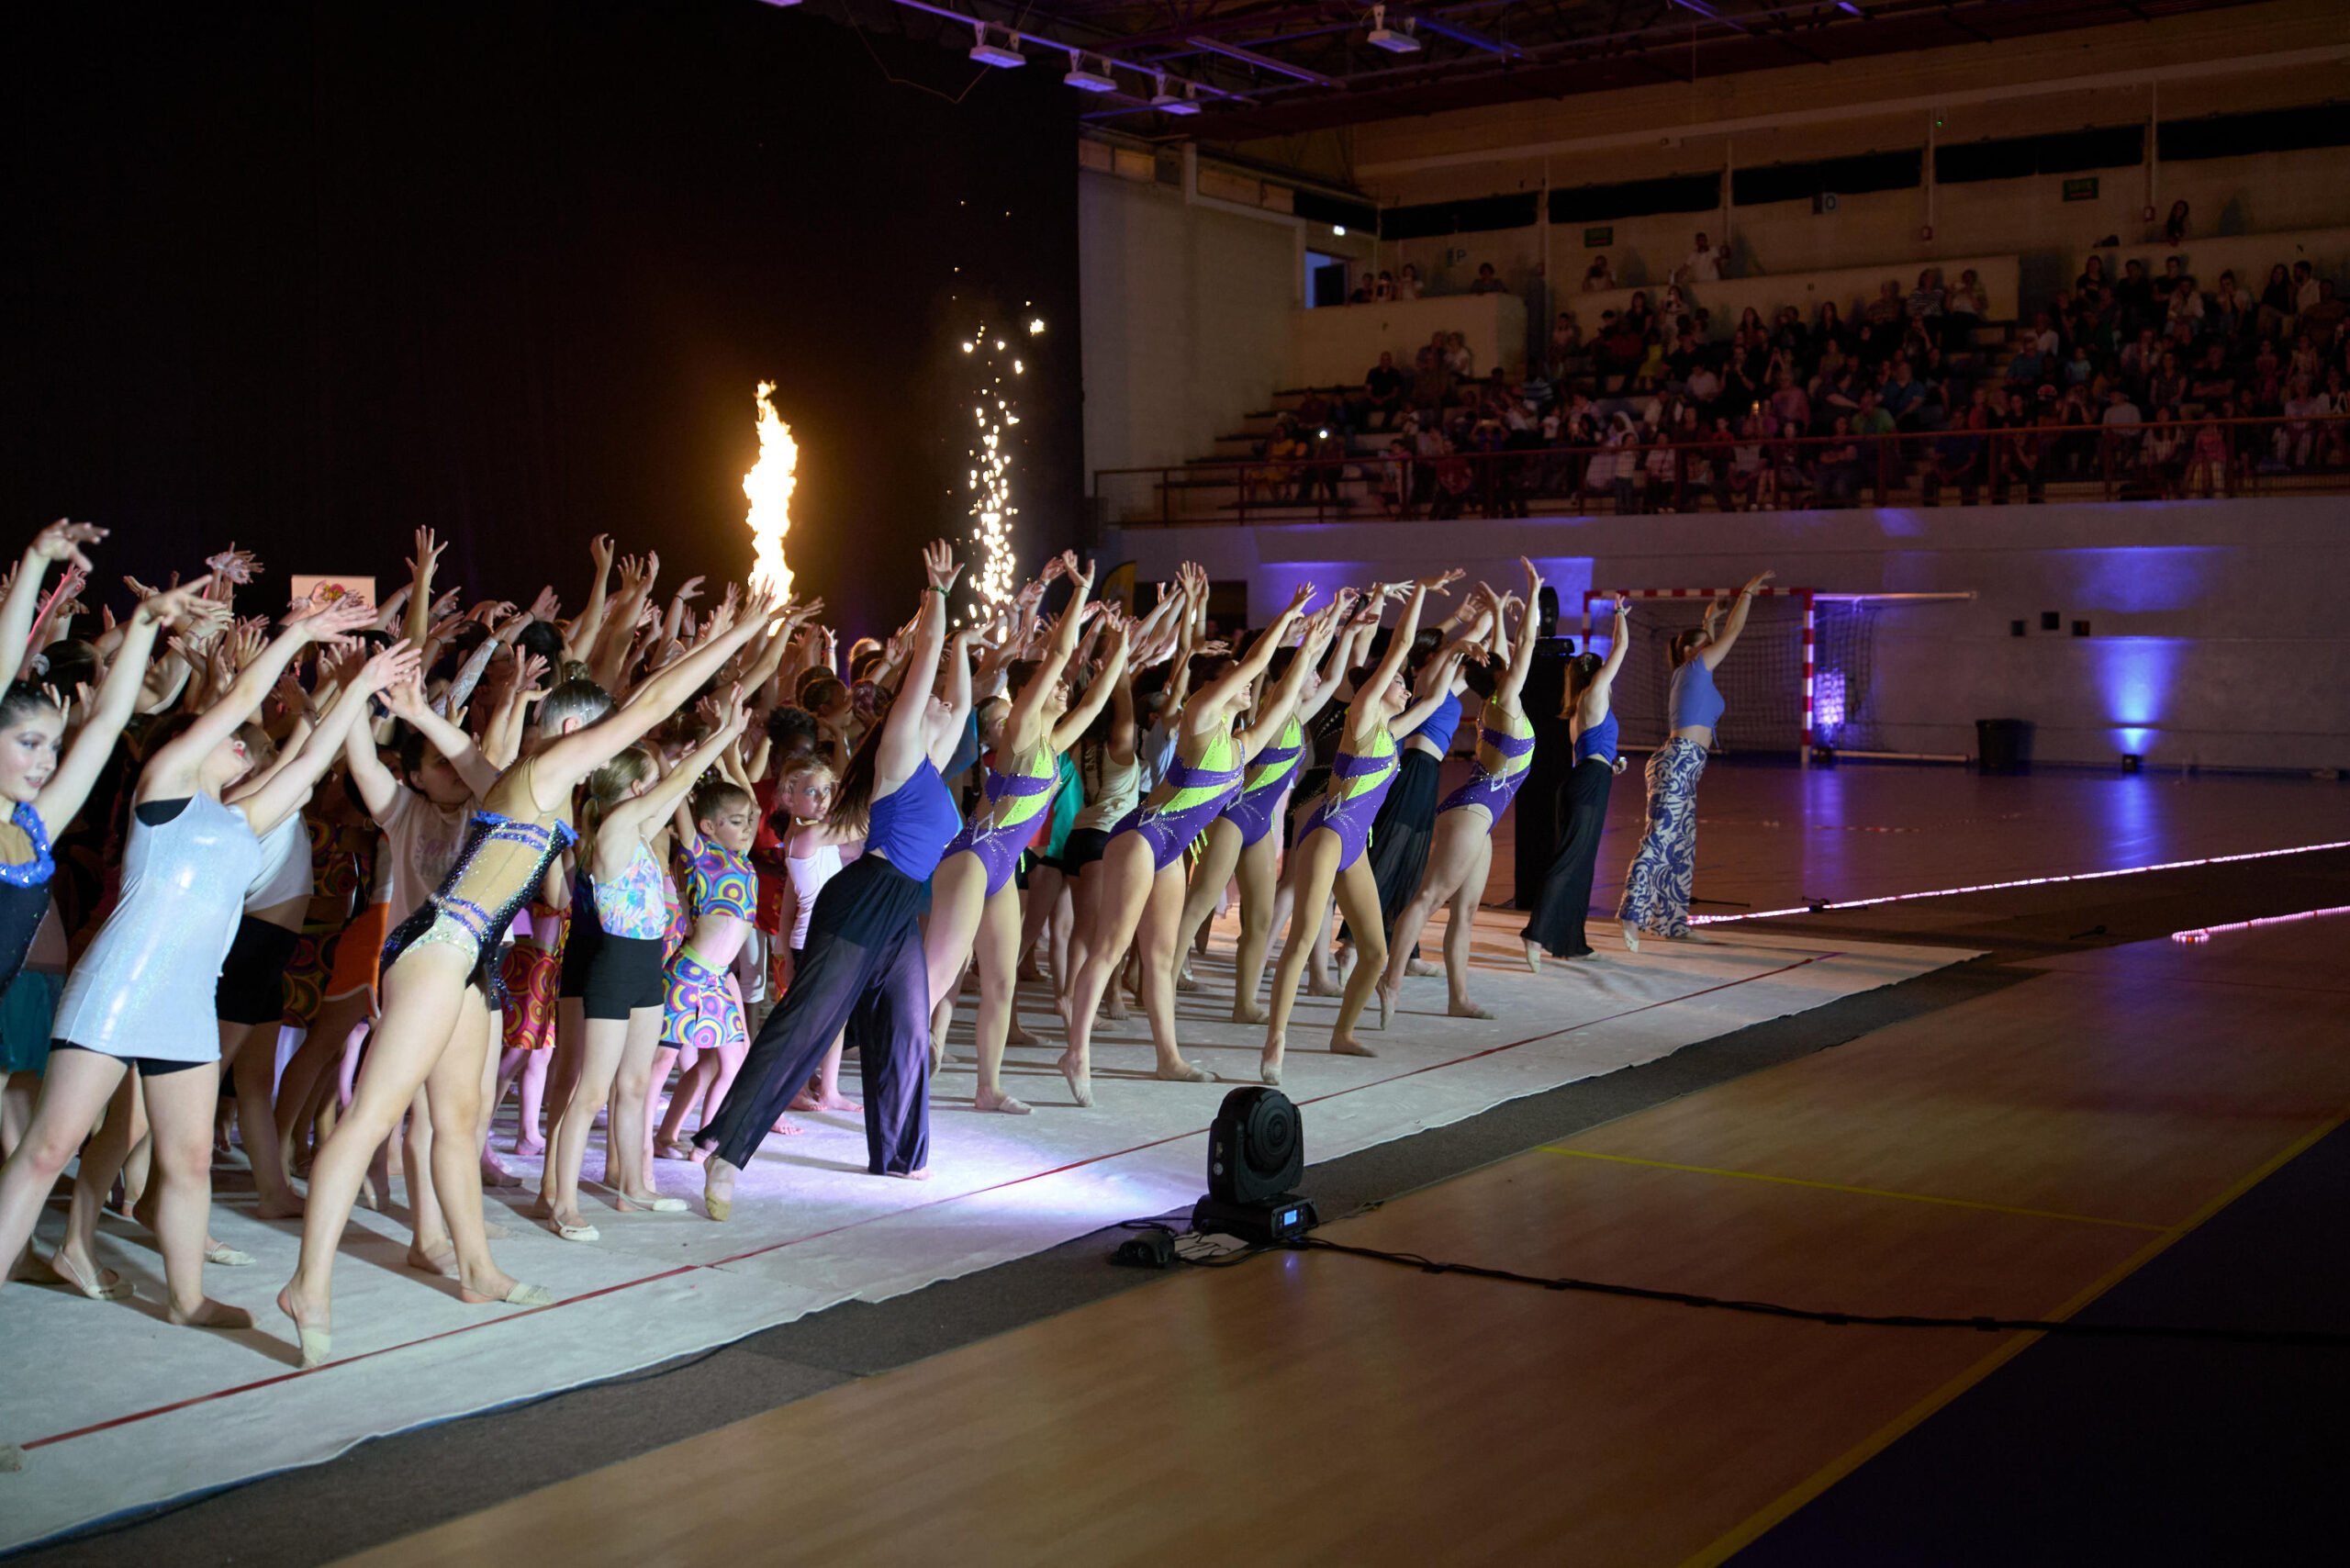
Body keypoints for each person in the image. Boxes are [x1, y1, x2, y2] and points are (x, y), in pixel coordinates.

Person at [280, 582, 783, 1363]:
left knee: (461, 1120)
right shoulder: (544, 772)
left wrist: (417, 714)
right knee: (373, 1116)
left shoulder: (524, 784)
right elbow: (650, 704)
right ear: (576, 730)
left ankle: (477, 1267)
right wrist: (738, 637)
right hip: (439, 945)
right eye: (602, 730)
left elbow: (462, 754)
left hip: (475, 961)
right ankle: (307, 1284)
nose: (617, 742)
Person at [2, 593, 398, 1328]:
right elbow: (246, 694)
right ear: (193, 746)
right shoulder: (163, 791)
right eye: (234, 740)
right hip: (117, 989)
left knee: (186, 1161)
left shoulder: (242, 823)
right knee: (48, 1147)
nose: (244, 745)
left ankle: (185, 1300)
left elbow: (312, 759)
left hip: (187, 1002)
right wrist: (298, 634)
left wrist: (361, 689)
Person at [689, 543, 969, 1220]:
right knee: (804, 1026)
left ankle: (900, 1152)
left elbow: (959, 702)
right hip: (861, 901)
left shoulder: (931, 756)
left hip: (897, 909)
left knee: (906, 1025)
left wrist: (964, 639)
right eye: (924, 698)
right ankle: (725, 1153)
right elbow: (927, 677)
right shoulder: (899, 754)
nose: (937, 701)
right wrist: (936, 599)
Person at [1057, 575, 1316, 1104]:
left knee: (1159, 955)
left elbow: (1285, 691)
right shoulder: (1199, 720)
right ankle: (1076, 1051)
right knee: (1111, 947)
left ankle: (1168, 1058)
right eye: (1239, 684)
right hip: (1141, 836)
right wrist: (1284, 619)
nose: (1250, 689)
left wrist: (1310, 642)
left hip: (1170, 851)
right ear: (1214, 688)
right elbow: (1254, 669)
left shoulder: (1241, 745)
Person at [922, 556, 1129, 1115]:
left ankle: (987, 1087)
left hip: (1001, 869)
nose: (1063, 687)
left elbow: (1093, 702)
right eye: (1053, 686)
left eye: (1061, 687)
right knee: (939, 976)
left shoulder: (1050, 750)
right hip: (969, 859)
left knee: (1001, 984)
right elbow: (1059, 657)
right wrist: (1078, 596)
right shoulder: (1015, 733)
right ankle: (895, 1064)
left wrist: (1120, 651)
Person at [539, 693, 750, 1241]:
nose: (653, 789)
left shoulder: (637, 833)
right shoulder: (609, 833)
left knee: (635, 1086)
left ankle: (634, 1184)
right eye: (646, 782)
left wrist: (724, 739)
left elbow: (676, 788)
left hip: (645, 967)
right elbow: (673, 787)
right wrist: (712, 745)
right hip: (611, 966)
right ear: (632, 789)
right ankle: (563, 1202)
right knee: (592, 1090)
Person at [1258, 576, 1461, 1082]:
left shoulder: (1392, 734)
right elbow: (1401, 647)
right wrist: (1420, 594)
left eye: (1405, 684)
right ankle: (1275, 1042)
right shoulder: (1364, 717)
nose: (1405, 687)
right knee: (1304, 936)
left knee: (1375, 950)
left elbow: (1435, 701)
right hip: (1327, 832)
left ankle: (1343, 1032)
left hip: (1356, 845)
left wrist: (1463, 646)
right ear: (1374, 686)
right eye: (1398, 681)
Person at [1170, 600, 1349, 1025]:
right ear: (1289, 678)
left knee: (1261, 918)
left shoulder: (1294, 717)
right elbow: (1273, 674)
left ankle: (1245, 1003)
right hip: (1234, 817)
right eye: (1311, 672)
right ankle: (1160, 980)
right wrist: (1301, 640)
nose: (1319, 680)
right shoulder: (1269, 712)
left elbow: (1337, 677)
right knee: (1198, 904)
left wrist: (1344, 627)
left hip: (1261, 826)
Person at [1378, 564, 1543, 1023]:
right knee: (1428, 899)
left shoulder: (1498, 704)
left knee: (1465, 912)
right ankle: (1390, 982)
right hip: (1471, 815)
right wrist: (1532, 593)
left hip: (1477, 819)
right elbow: (1525, 644)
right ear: (1505, 676)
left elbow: (1508, 653)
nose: (1513, 656)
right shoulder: (1505, 703)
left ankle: (1458, 998)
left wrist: (1494, 612)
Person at [1617, 571, 1774, 948]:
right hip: (1676, 761)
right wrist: (1746, 595)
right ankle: (1632, 915)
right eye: (1705, 646)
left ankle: (1670, 924)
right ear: (1691, 653)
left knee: (1682, 848)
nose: (1712, 649)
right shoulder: (1691, 670)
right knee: (1660, 839)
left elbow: (1717, 638)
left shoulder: (1692, 673)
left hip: (1687, 768)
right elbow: (1731, 638)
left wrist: (1710, 620)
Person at [1523, 595, 1630, 969]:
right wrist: (1619, 614)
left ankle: (1570, 941)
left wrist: (1610, 765)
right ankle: (1535, 934)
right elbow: (1621, 647)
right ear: (1595, 674)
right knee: (1570, 861)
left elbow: (1588, 754)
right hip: (1588, 784)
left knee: (1581, 864)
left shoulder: (1579, 709)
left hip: (1587, 777)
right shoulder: (1595, 693)